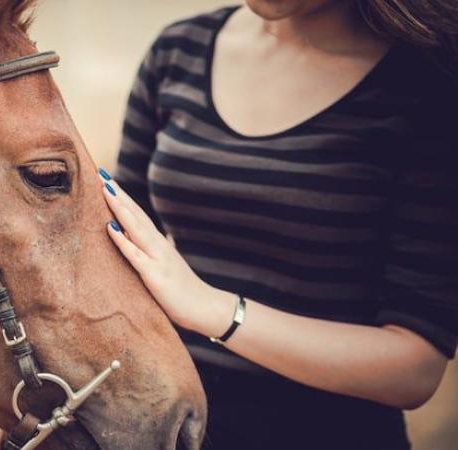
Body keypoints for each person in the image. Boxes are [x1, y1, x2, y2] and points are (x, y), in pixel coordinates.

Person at [100, 1, 458, 449]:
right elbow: (108, 251)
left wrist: (217, 310)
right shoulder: (178, 50)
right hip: (169, 429)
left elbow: (415, 368)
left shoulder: (429, 86)